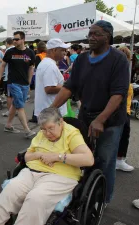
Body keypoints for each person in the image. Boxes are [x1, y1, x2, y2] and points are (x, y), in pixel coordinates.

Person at [51, 20, 129, 203]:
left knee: (104, 160)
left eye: (97, 34)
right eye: (90, 33)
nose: (91, 37)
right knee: (81, 155)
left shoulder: (118, 60)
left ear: (107, 37)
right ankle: (83, 193)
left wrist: (101, 120)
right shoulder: (83, 59)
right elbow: (70, 86)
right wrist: (51, 109)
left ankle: (102, 200)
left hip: (110, 120)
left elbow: (118, 94)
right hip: (86, 115)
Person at [0, 107, 94, 225]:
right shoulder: (42, 134)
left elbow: (88, 159)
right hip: (31, 172)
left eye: (51, 128)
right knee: (10, 191)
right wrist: (39, 154)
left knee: (35, 198)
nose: (47, 133)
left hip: (60, 176)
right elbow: (26, 157)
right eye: (43, 129)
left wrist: (57, 157)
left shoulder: (71, 134)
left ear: (60, 122)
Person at [0, 31, 36, 138]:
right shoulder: (10, 52)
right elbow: (3, 65)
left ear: (23, 40)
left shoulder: (30, 52)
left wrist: (29, 82)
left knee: (15, 104)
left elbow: (31, 68)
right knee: (20, 106)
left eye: (17, 39)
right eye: (14, 39)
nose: (14, 41)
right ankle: (27, 130)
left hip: (24, 83)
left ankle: (8, 125)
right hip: (13, 82)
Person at [34, 39, 69, 118]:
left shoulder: (47, 63)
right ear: (54, 50)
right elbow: (49, 88)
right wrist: (68, 85)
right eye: (62, 50)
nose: (65, 53)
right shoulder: (49, 65)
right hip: (51, 113)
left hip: (49, 111)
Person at [116, 47, 134, 172]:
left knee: (121, 135)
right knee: (122, 135)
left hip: (124, 108)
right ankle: (119, 160)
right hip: (120, 109)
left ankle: (118, 159)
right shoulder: (119, 69)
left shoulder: (123, 69)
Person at [29, 41, 47, 123]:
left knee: (38, 97)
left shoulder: (38, 56)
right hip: (47, 77)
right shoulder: (47, 55)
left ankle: (35, 116)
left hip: (40, 78)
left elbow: (36, 67)